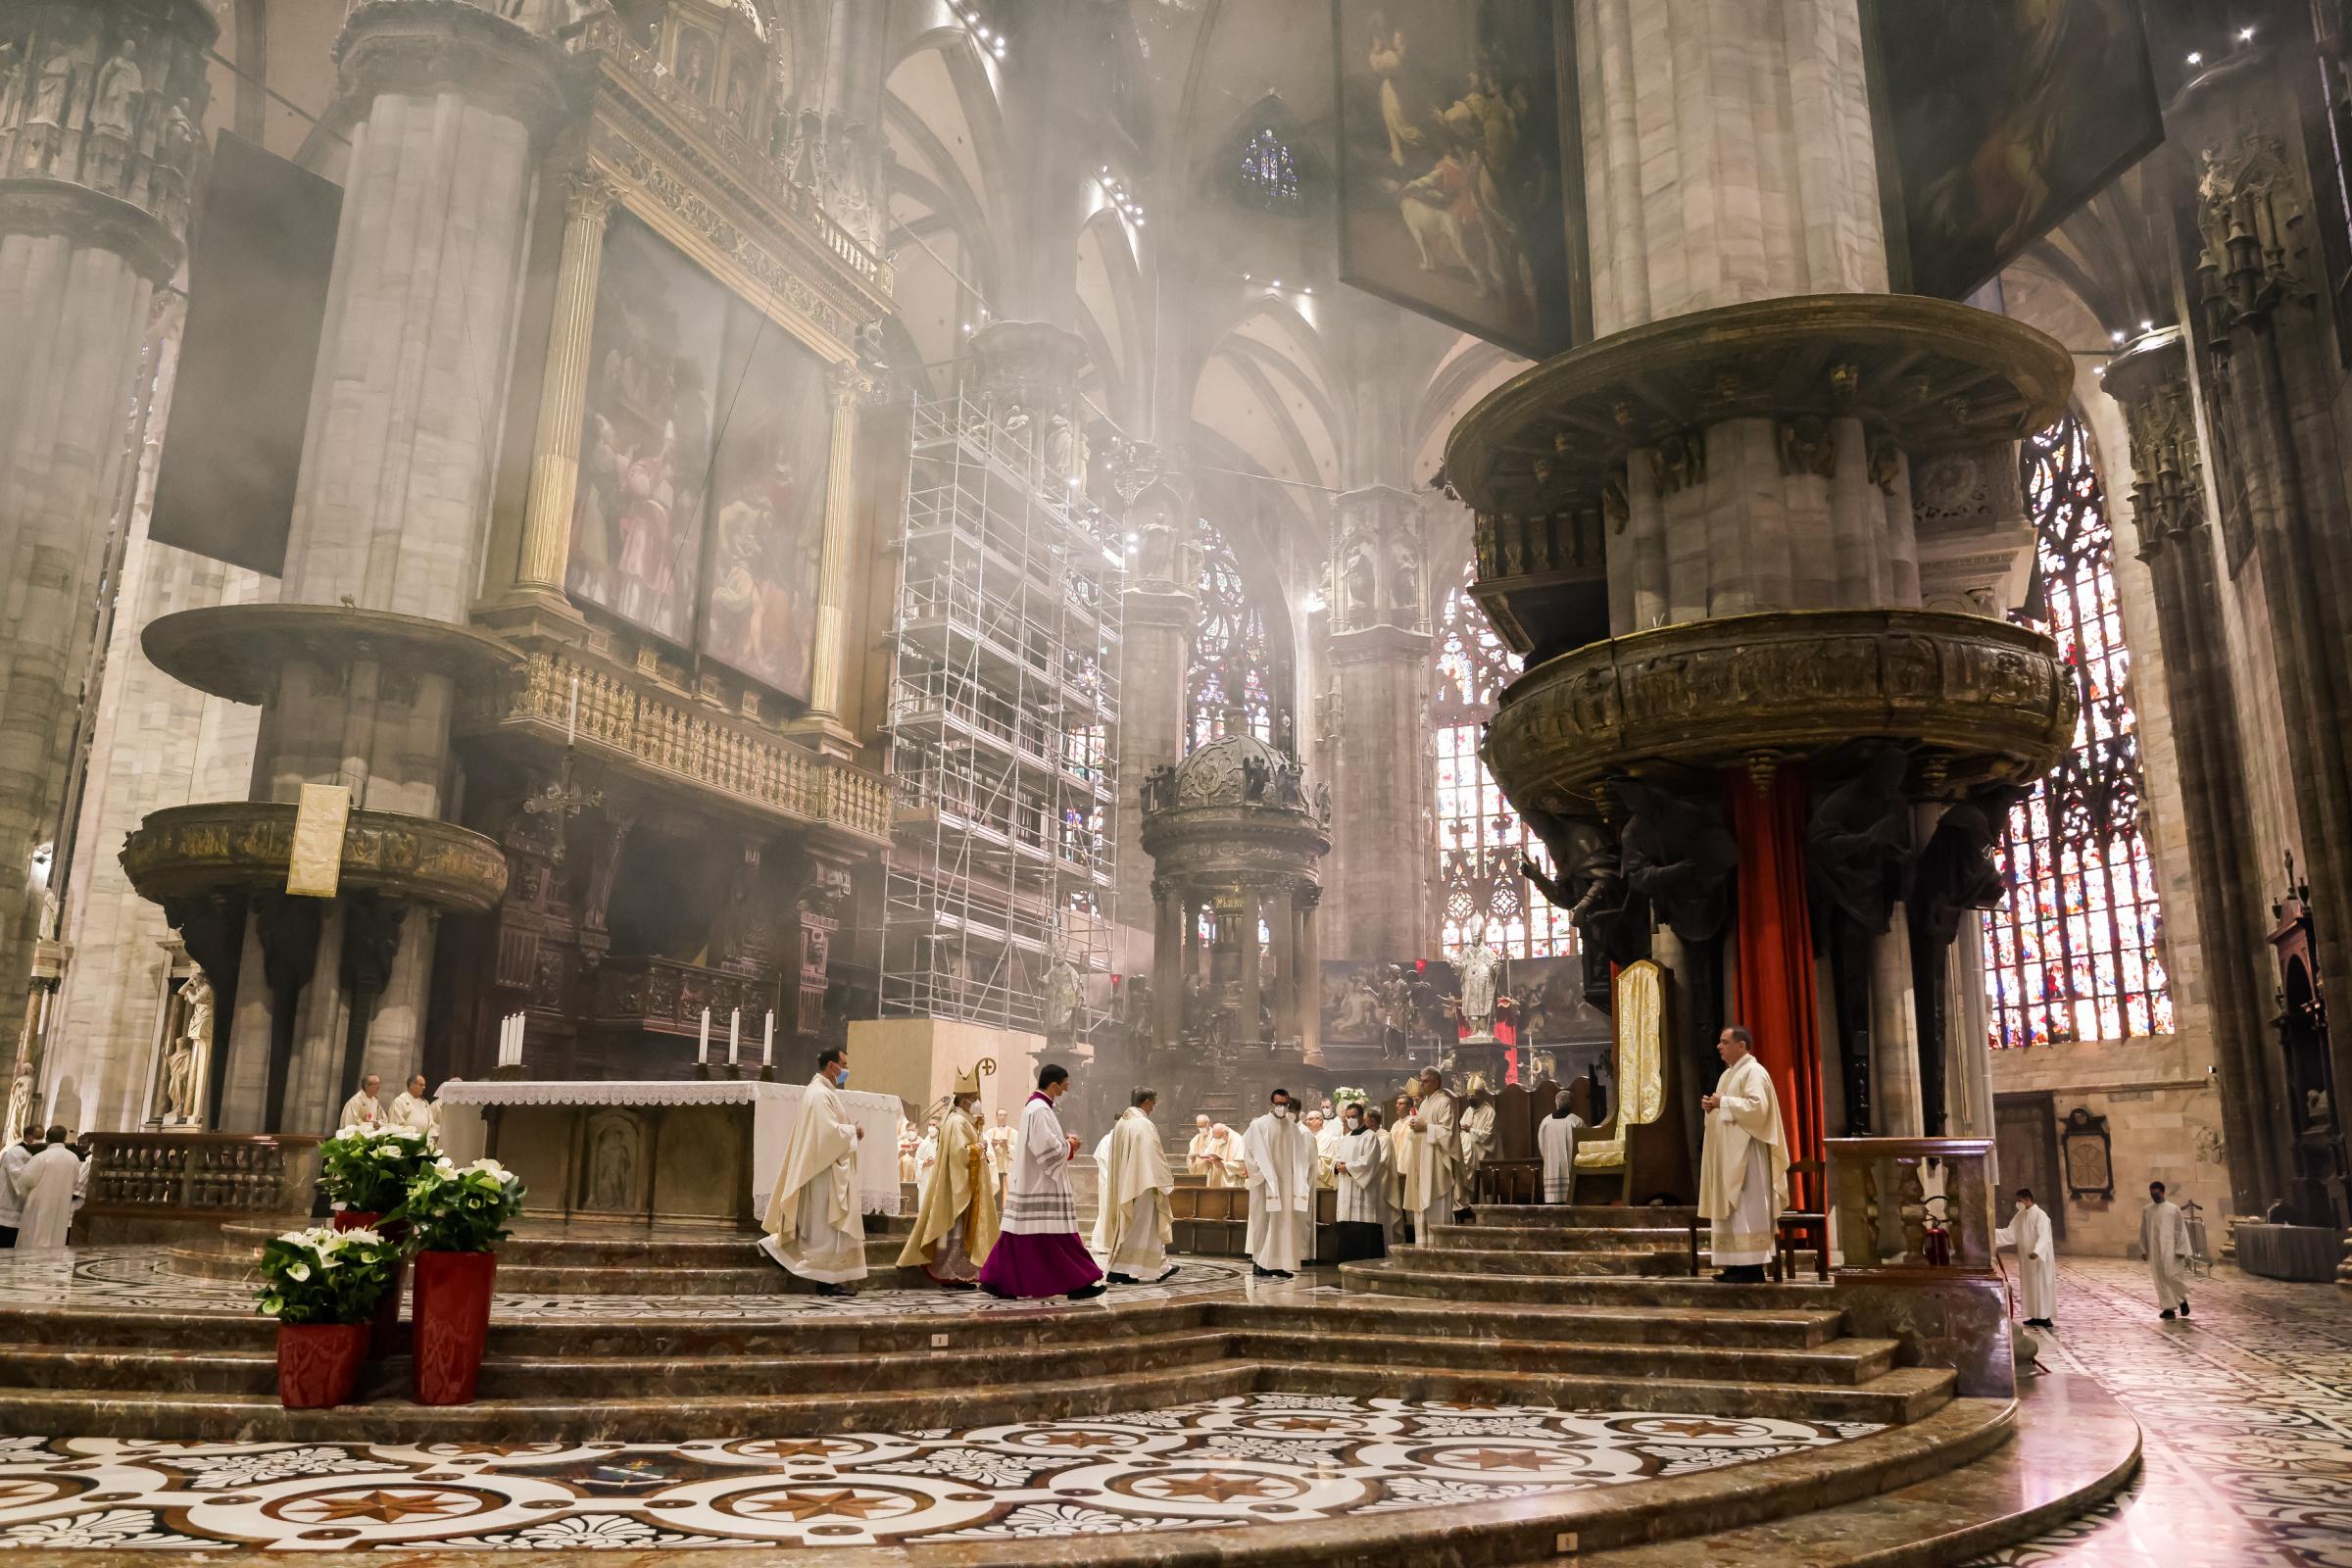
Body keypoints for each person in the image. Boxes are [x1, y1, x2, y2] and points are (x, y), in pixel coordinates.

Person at [979, 1063, 1105, 1300]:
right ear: (1054, 1084)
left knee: (1020, 1236)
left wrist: (1063, 1141)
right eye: (1064, 1085)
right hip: (1042, 1183)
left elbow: (1042, 1141)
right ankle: (1079, 1282)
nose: (1067, 1089)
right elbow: (1045, 1148)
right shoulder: (1039, 1109)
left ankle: (997, 1280)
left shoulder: (1036, 1107)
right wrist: (1070, 1145)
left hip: (1035, 1182)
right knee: (1059, 1236)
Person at [757, 1046, 867, 1295]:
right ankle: (825, 1282)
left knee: (824, 1231)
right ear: (831, 1066)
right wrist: (854, 1131)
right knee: (824, 1231)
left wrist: (848, 1131)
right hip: (823, 1173)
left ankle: (827, 1279)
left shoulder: (824, 1091)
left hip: (826, 1168)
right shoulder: (819, 1094)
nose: (846, 1070)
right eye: (844, 1065)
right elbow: (826, 1135)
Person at [1698, 1025, 1789, 1285]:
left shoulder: (1754, 1072)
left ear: (1741, 1046)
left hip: (1748, 1155)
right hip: (1729, 1154)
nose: (1719, 1046)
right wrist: (1712, 1108)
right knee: (1731, 1210)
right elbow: (1725, 1110)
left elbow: (1758, 1108)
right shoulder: (1728, 1075)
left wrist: (1723, 1102)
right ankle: (1735, 1265)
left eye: (1724, 1042)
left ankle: (1752, 1268)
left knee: (1746, 1207)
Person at [899, 1063, 999, 1288]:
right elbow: (958, 1155)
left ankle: (958, 1273)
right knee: (956, 1232)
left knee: (960, 1233)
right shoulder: (956, 1122)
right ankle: (951, 1273)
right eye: (974, 1097)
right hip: (957, 1185)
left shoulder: (962, 1120)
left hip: (965, 1182)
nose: (977, 1101)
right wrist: (979, 1148)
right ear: (965, 1100)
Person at [1096, 1087, 1177, 1285]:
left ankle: (1157, 1267)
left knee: (1136, 1226)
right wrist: (1165, 1181)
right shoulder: (1143, 1124)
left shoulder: (1123, 1123)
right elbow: (1152, 1154)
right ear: (1146, 1102)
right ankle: (1119, 1269)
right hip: (1143, 1184)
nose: (1153, 1108)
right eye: (1153, 1104)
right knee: (1140, 1226)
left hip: (1129, 1183)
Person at [1243, 1088, 1314, 1279]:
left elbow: (1300, 1158)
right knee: (1263, 1223)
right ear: (1271, 1104)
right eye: (1278, 1104)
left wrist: (1298, 1182)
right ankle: (1260, 1263)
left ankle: (1279, 1263)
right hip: (1264, 1184)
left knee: (1283, 1224)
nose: (1282, 1107)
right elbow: (1249, 1153)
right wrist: (1261, 1174)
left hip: (1285, 1185)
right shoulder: (1259, 1125)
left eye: (1285, 1104)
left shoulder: (1292, 1127)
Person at [1397, 1068, 1464, 1243]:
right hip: (1422, 1161)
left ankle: (1441, 1247)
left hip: (1437, 1163)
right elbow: (1420, 1130)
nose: (1421, 1084)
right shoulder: (1425, 1104)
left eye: (1425, 1081)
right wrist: (1415, 1127)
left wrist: (1426, 1127)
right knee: (1423, 1206)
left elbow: (1449, 1133)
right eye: (1421, 1080)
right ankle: (1424, 1246)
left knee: (1437, 1206)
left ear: (1436, 1082)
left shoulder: (1444, 1102)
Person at [1332, 1102, 1391, 1261]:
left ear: (1361, 1117)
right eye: (1348, 1117)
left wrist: (1348, 1167)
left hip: (1364, 1195)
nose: (1350, 1120)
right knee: (1347, 1232)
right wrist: (1336, 1166)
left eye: (1353, 1117)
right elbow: (1336, 1158)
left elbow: (1369, 1163)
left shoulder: (1370, 1137)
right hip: (1346, 1193)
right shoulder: (1346, 1138)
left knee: (1364, 1232)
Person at [10, 1127, 80, 1251]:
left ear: (47, 1139)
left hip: (39, 1203)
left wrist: (26, 1197)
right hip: (62, 1203)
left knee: (34, 1236)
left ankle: (30, 1261)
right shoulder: (74, 1158)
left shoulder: (41, 1157)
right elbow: (75, 1181)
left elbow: (24, 1181)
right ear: (64, 1138)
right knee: (56, 1235)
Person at [1995, 1187, 2056, 1329]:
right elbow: (2010, 1233)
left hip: (2039, 1259)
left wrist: (2037, 1251)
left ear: (2028, 1199)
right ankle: (2035, 1315)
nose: (2018, 1203)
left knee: (2041, 1285)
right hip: (2027, 1259)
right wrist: (1992, 1233)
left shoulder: (2040, 1215)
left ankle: (2045, 1317)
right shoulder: (2020, 1215)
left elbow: (2044, 1236)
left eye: (2019, 1200)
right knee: (2030, 1286)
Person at [2141, 1180, 2192, 1320]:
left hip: (2171, 1249)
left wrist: (2181, 1249)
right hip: (2154, 1248)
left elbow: (2180, 1230)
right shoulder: (2147, 1210)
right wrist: (2144, 1249)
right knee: (2160, 1278)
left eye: (2156, 1193)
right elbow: (2144, 1230)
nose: (2154, 1196)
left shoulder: (2173, 1209)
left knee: (2171, 1275)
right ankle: (2169, 1309)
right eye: (2152, 1194)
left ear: (2163, 1192)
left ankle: (2182, 1300)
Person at [1538, 1088, 1584, 1204]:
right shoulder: (1576, 1122)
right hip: (1571, 1169)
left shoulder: (1545, 1122)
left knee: (1553, 1203)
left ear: (1556, 1103)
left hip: (1551, 1167)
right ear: (1572, 1104)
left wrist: (1548, 1158)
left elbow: (1542, 1146)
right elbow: (1584, 1146)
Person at [0, 1123, 37, 1247]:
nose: (42, 1141)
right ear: (29, 1136)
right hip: (9, 1206)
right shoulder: (16, 1152)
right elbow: (19, 1177)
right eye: (38, 1137)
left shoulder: (27, 1153)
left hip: (17, 1206)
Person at [984, 1107, 1016, 1199]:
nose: (1003, 1117)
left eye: (1005, 1115)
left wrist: (1007, 1147)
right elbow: (985, 1150)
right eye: (1000, 1115)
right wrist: (992, 1146)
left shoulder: (1014, 1133)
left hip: (1008, 1169)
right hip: (995, 1170)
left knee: (1007, 1196)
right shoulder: (989, 1133)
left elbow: (1018, 1151)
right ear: (996, 1117)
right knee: (995, 1196)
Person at [1304, 1108, 1338, 1191]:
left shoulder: (1326, 1138)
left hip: (1321, 1185)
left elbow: (1324, 1164)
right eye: (1307, 1120)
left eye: (1311, 1119)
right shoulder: (1307, 1137)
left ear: (1320, 1121)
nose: (1308, 1122)